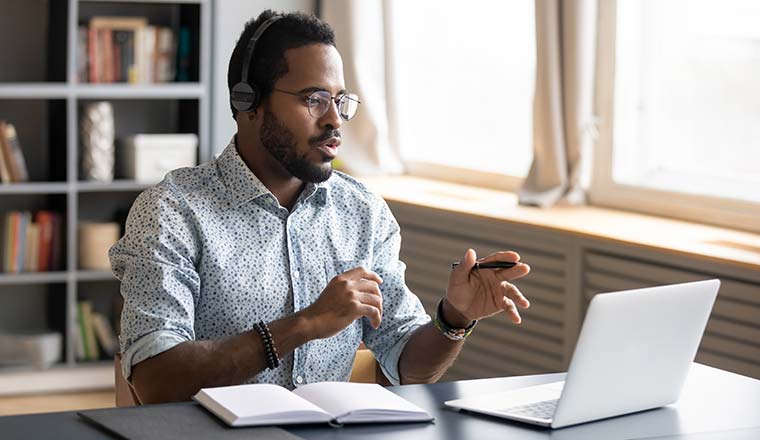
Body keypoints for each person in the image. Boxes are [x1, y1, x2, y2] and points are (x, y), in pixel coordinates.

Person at [109, 10, 531, 404]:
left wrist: (454, 317)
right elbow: (155, 381)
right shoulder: (171, 212)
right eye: (313, 100)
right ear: (248, 103)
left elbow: (406, 363)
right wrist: (306, 324)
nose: (335, 120)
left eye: (340, 100)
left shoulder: (362, 212)